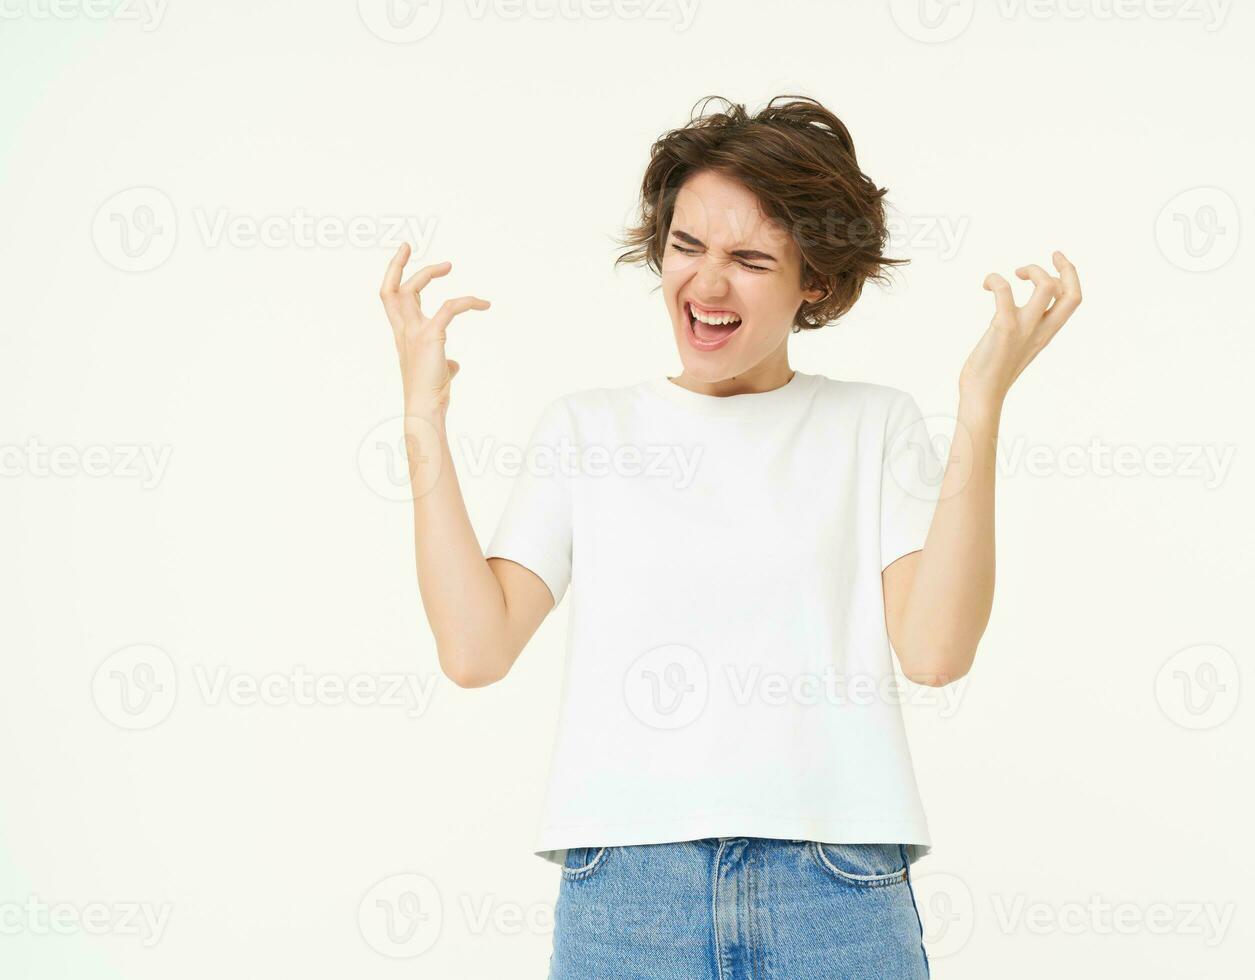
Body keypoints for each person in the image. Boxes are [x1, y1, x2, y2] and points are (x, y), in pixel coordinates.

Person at [376, 94, 1082, 979]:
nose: (706, 286)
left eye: (750, 260)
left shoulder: (873, 425)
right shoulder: (587, 431)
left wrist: (982, 407)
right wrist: (422, 417)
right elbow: (475, 649)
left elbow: (936, 651)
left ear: (814, 282)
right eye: (685, 247)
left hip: (836, 888)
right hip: (627, 892)